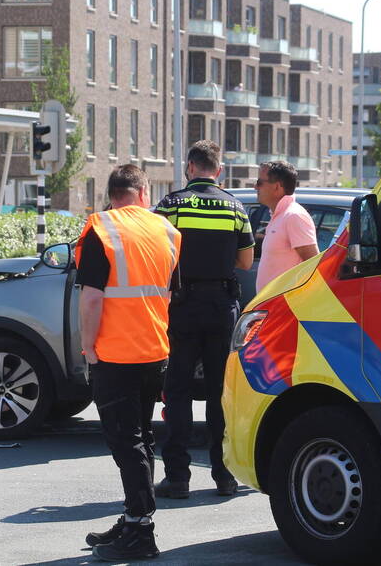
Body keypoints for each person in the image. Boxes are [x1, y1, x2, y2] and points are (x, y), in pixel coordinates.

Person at [76, 164, 182, 561]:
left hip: (115, 354)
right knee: (141, 438)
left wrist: (89, 347)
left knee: (126, 441)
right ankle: (134, 517)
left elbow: (91, 297)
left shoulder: (101, 229)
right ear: (142, 192)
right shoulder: (167, 232)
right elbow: (168, 295)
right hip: (154, 351)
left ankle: (141, 529)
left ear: (113, 193)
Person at [153, 140, 255, 499]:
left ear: (190, 167)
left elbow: (157, 254)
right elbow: (245, 263)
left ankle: (178, 477)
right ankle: (224, 476)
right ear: (219, 170)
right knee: (218, 394)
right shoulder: (236, 207)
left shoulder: (171, 204)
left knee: (177, 392)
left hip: (182, 305)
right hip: (221, 306)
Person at [254, 160, 319, 292]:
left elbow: (314, 266)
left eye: (259, 183)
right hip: (273, 305)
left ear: (277, 187)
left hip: (284, 306)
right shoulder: (281, 215)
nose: (255, 187)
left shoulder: (293, 216)